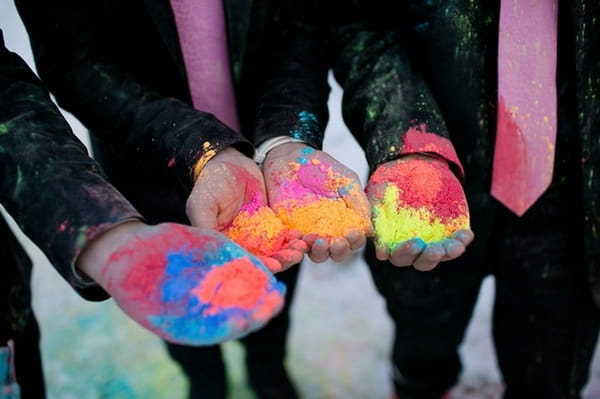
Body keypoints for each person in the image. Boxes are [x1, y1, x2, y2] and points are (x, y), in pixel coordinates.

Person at [253, 1, 600, 398]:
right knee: (423, 342)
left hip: (580, 198)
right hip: (431, 160)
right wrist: (410, 141)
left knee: (551, 370)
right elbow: (358, 20)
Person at [12, 2, 335, 398]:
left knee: (273, 279)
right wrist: (203, 148)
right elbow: (76, 65)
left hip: (264, 171)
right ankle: (204, 380)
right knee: (176, 288)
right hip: (144, 162)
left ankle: (266, 367)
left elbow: (298, 30)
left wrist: (284, 137)